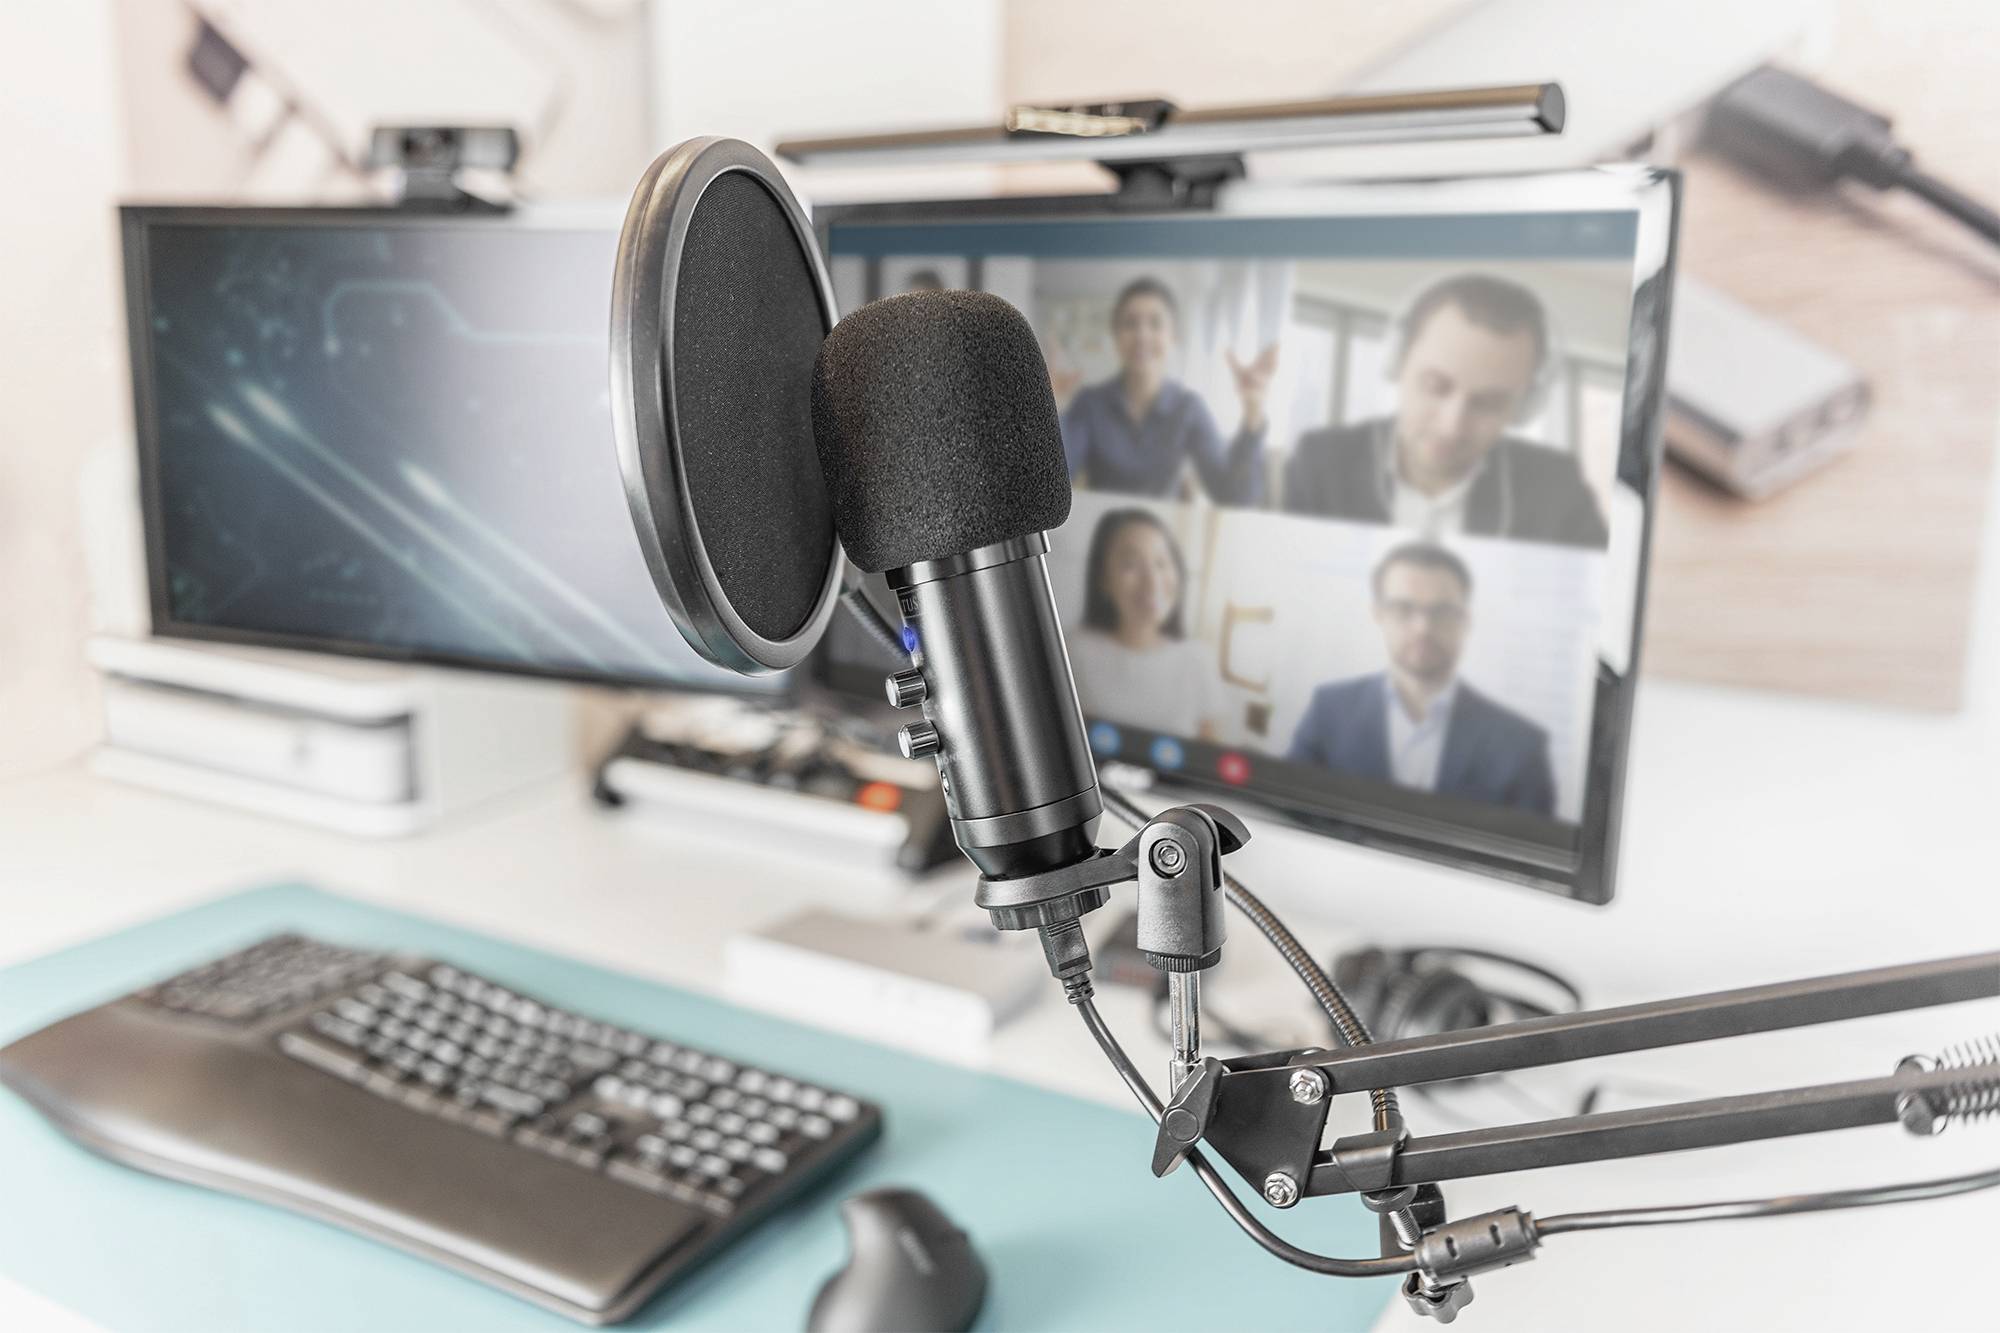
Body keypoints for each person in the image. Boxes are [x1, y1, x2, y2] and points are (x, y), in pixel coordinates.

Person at [1283, 273, 1607, 548]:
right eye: (1436, 387)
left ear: (1526, 406)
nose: (1452, 426)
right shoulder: (1321, 462)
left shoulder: (1557, 486)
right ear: (1397, 362)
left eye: (1489, 404)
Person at [1286, 542, 1554, 814]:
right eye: (1403, 608)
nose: (1423, 627)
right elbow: (1290, 814)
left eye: (1441, 612)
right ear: (1378, 614)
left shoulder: (1521, 745)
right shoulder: (1328, 711)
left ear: (1466, 620)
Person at [1060, 276, 1276, 505]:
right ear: (1116, 335)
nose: (1142, 335)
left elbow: (1233, 496)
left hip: (1161, 535)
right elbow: (1057, 479)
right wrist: (1051, 407)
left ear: (1173, 337)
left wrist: (1253, 410)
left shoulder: (1189, 408)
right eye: (1130, 323)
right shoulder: (1089, 403)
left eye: (1155, 323)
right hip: (1100, 532)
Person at [1068, 508, 1225, 741]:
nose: (1152, 582)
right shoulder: (1073, 651)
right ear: (1103, 579)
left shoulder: (1198, 660)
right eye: (1131, 564)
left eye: (1161, 563)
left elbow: (1211, 755)